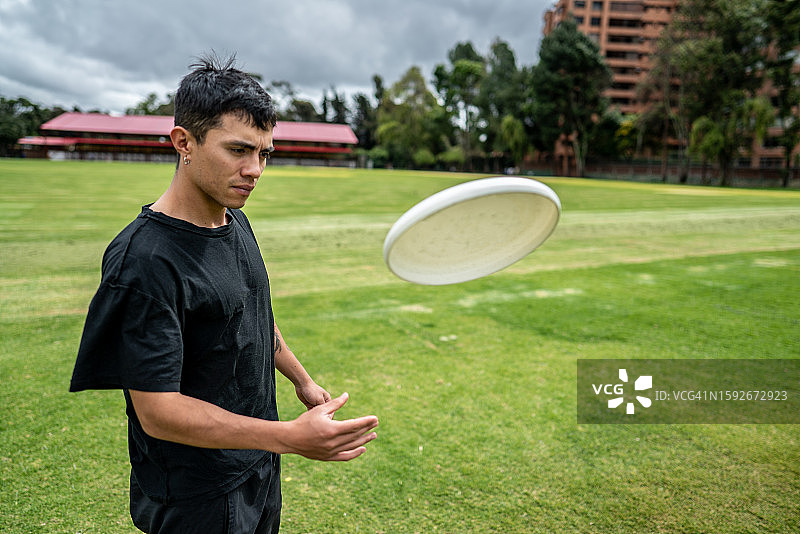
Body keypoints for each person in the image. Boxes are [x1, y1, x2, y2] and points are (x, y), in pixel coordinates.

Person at [69, 55, 379, 534]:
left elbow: (251, 312)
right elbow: (159, 412)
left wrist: (301, 380)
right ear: (184, 143)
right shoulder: (145, 260)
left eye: (264, 153)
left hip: (256, 465)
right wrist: (289, 438)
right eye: (238, 150)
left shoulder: (234, 218)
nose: (254, 170)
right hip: (197, 493)